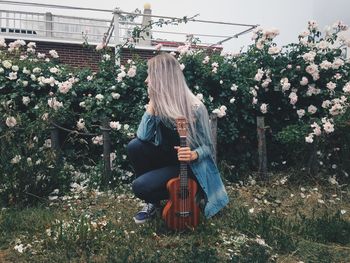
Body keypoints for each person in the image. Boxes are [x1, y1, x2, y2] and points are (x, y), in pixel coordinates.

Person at [127, 52, 229, 224]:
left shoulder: (195, 107)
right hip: (167, 160)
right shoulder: (160, 105)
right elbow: (143, 136)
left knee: (140, 187)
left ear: (162, 78)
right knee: (134, 146)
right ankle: (153, 204)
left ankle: (188, 194)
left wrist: (193, 154)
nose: (146, 81)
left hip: (189, 167)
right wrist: (152, 103)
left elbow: (208, 147)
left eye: (150, 76)